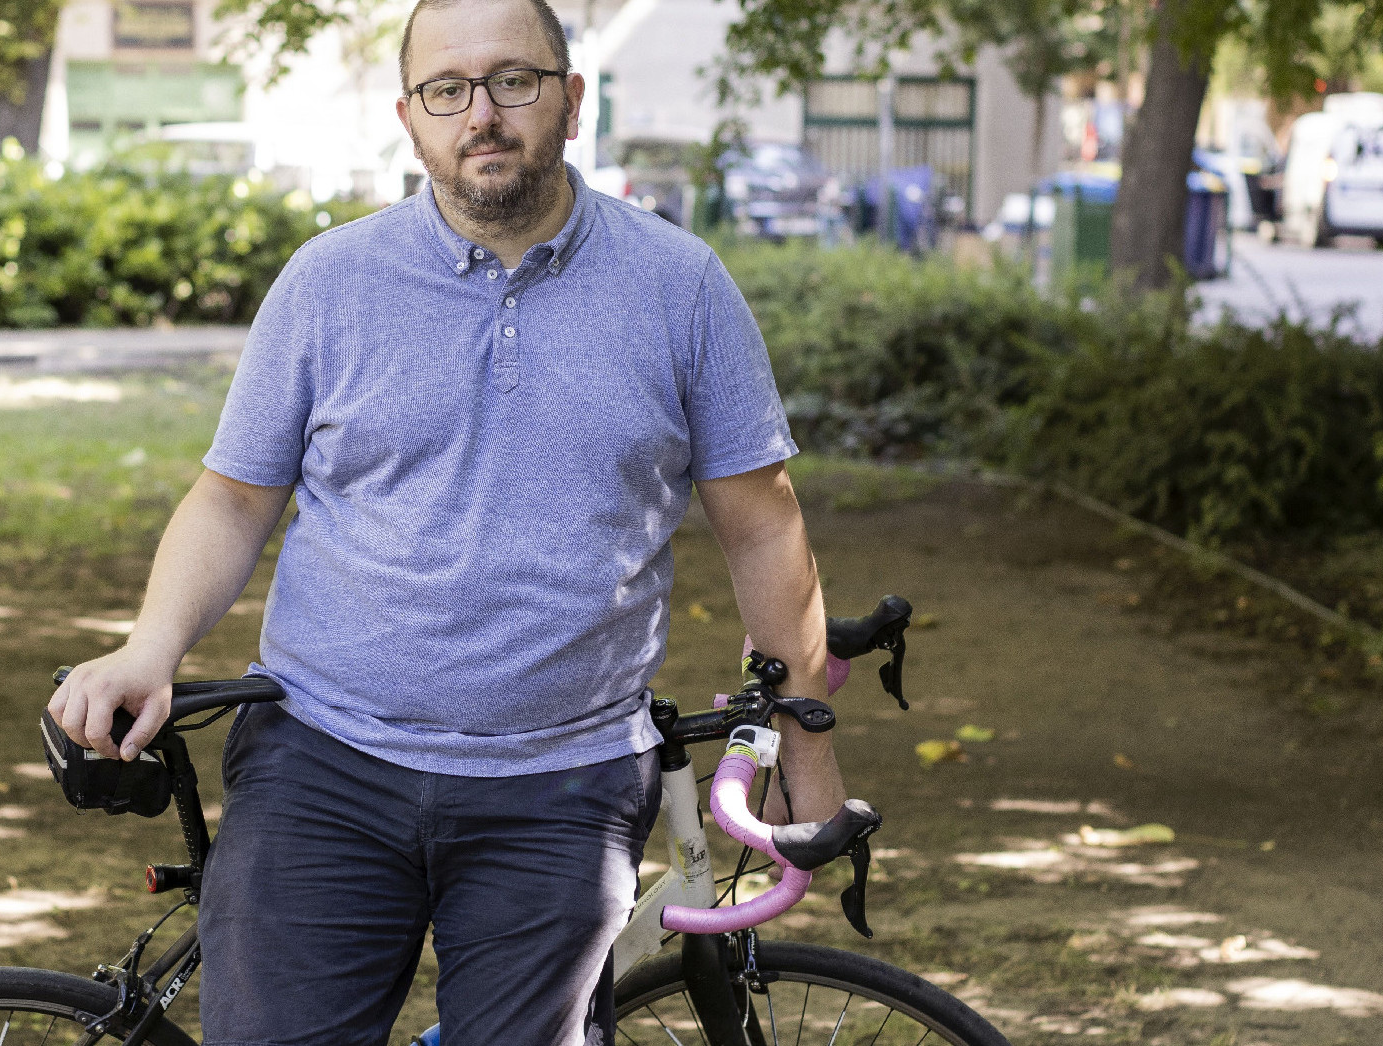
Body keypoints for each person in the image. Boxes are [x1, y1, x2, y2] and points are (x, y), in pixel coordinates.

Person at [48, 0, 845, 1039]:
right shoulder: (329, 282)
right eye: (446, 89)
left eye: (514, 80)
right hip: (321, 765)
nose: (481, 113)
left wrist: (805, 739)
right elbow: (233, 496)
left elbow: (763, 525)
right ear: (408, 116)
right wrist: (148, 647)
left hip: (562, 787)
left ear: (570, 99)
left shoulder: (679, 287)